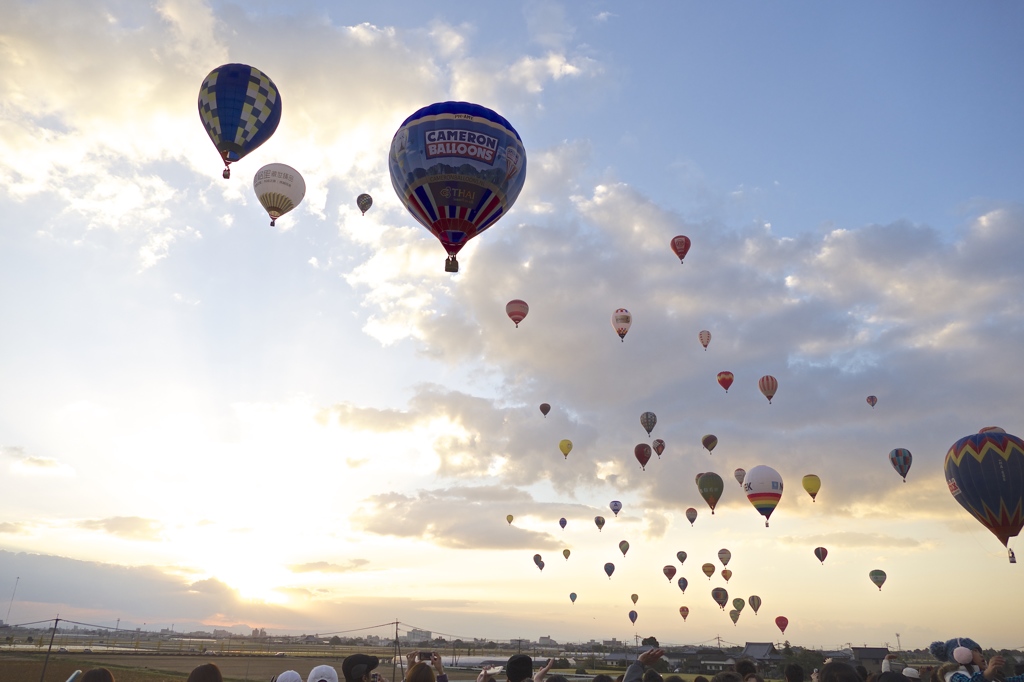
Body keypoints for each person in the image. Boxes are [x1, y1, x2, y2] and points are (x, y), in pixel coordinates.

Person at [930, 637, 1024, 682]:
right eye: (975, 651)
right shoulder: (953, 676)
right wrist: (987, 673)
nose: (981, 655)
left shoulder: (986, 676)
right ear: (961, 654)